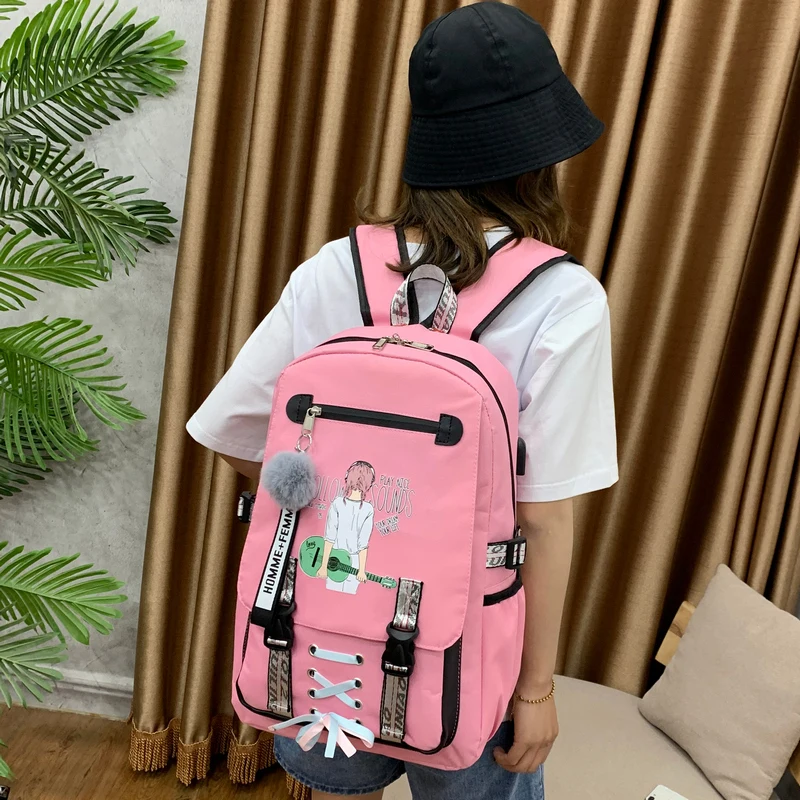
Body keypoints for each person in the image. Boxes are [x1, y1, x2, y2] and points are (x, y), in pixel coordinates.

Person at [186, 3, 617, 799]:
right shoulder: (562, 298)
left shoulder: (337, 267)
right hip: (464, 639)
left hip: (325, 624)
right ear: (540, 157)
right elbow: (544, 516)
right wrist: (535, 690)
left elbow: (233, 430)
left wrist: (326, 512)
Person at [319, 461, 376, 593]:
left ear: (347, 477)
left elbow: (329, 538)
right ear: (369, 483)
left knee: (331, 593)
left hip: (334, 558)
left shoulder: (337, 503)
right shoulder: (368, 509)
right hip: (349, 560)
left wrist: (323, 566)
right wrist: (361, 570)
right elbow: (363, 544)